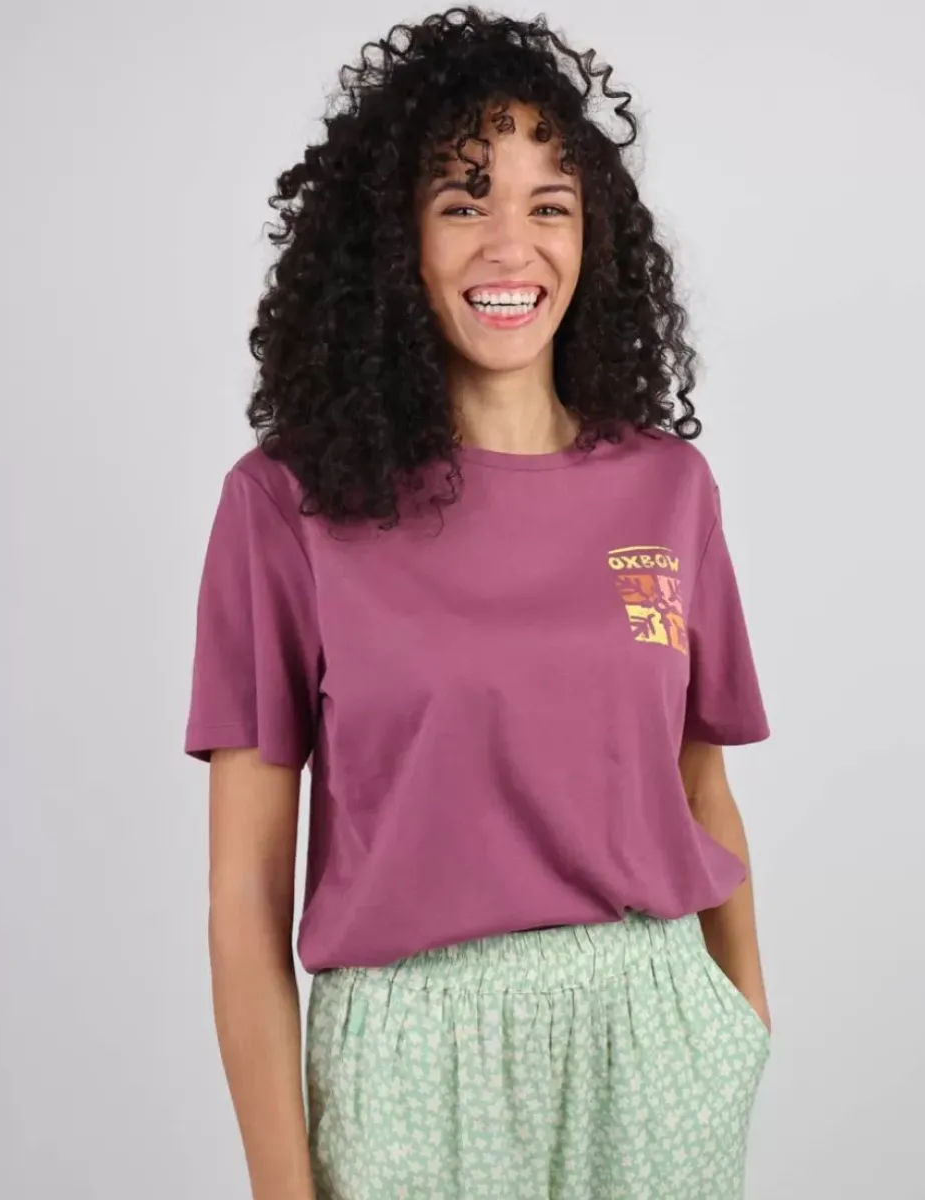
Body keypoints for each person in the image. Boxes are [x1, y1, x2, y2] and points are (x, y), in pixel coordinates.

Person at [184, 8, 773, 1198]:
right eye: (464, 204)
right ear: (394, 239)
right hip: (411, 1064)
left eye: (550, 206)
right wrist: (281, 1188)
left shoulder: (669, 489)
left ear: (592, 236)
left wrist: (742, 1030)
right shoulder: (287, 506)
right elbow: (245, 893)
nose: (513, 247)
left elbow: (701, 785)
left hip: (651, 1041)